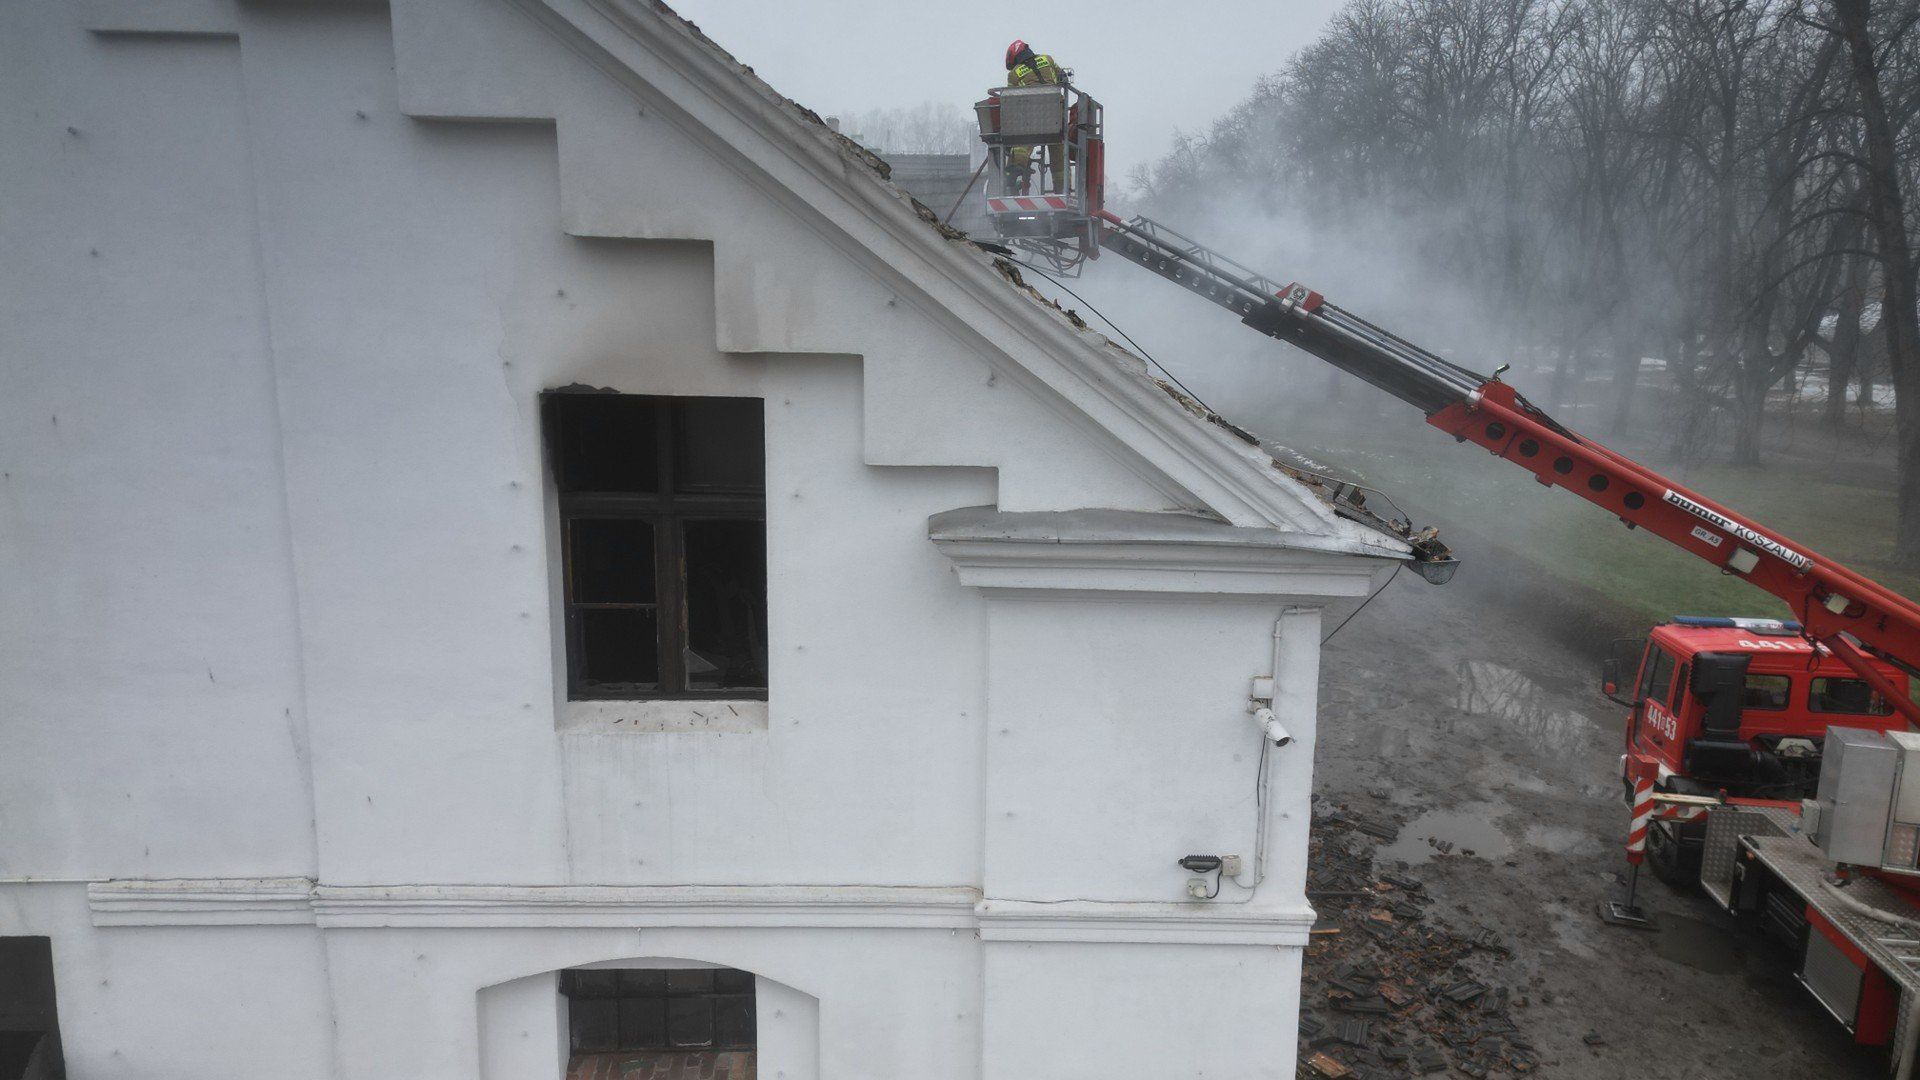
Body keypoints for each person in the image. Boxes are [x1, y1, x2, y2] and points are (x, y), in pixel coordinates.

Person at [1004, 39, 1068, 194]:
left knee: (1020, 140)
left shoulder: (1014, 74)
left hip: (1031, 120)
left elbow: (1010, 102)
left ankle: (1013, 175)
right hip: (1056, 116)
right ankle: (1061, 190)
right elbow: (1063, 77)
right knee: (1058, 149)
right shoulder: (1048, 59)